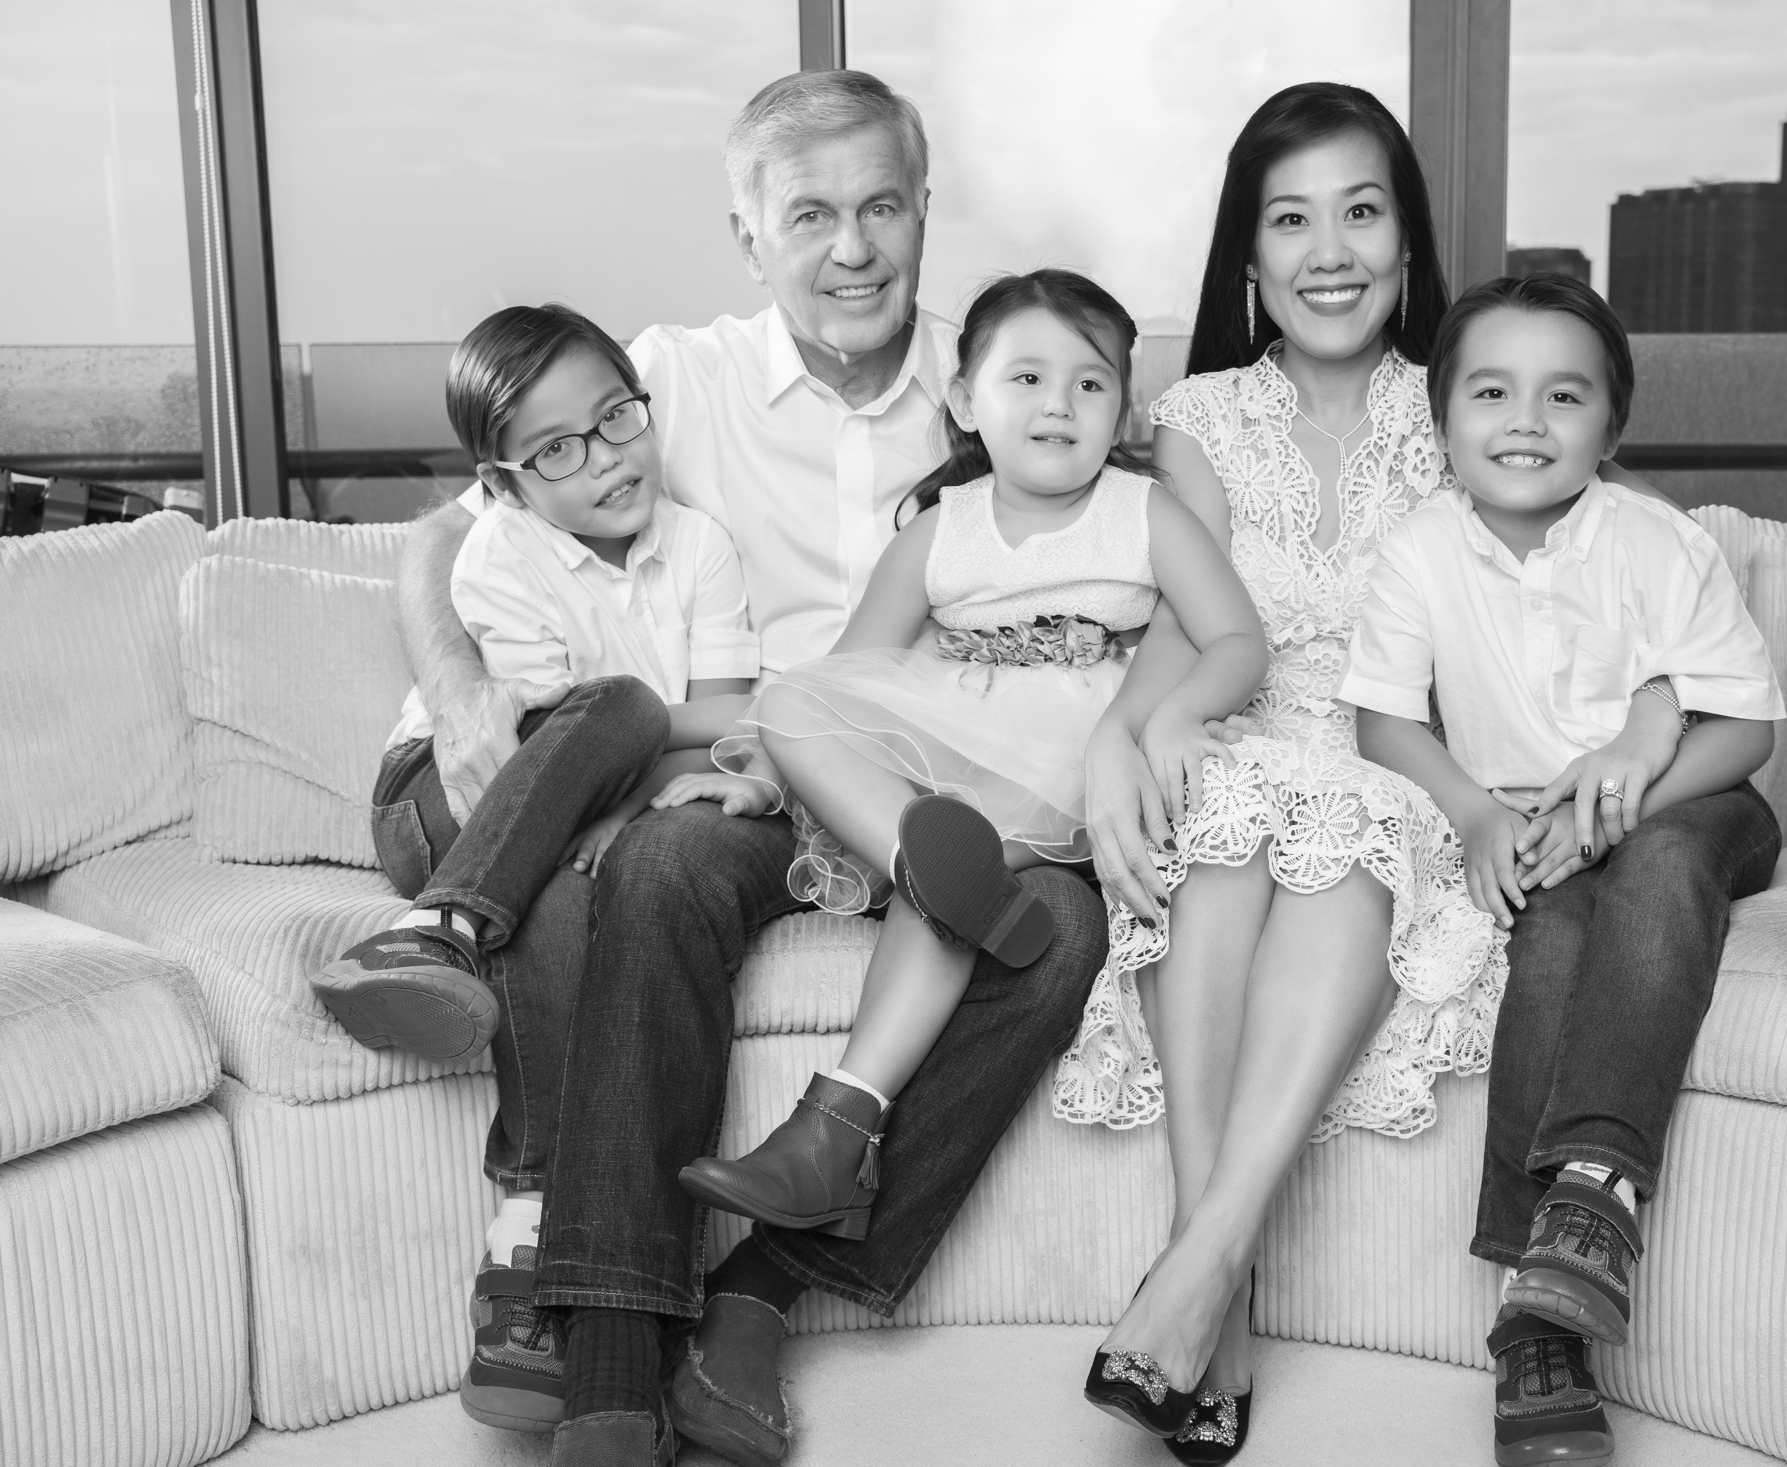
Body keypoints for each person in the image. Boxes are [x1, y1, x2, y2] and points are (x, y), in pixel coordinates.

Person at [394, 72, 1110, 1467]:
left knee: (1058, 930)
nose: (853, 248)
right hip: (740, 780)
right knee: (660, 862)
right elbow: (454, 523)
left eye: (882, 206)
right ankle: (613, 1357)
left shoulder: (1000, 373)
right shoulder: (675, 376)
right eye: (810, 215)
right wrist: (461, 681)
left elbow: (1128, 522)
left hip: (929, 797)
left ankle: (761, 1293)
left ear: (924, 209)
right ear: (748, 236)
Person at [1048, 83, 1509, 1462]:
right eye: (1291, 220)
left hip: (1394, 746)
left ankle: (1197, 1268)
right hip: (1242, 732)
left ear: (1408, 240)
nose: (1330, 251)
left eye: (1360, 212)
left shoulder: (1460, 404)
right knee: (1227, 813)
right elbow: (1188, 623)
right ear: (1247, 255)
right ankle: (1219, 1298)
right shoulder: (1203, 413)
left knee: (1337, 821)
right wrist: (1116, 741)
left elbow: (1579, 532)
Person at [676, 269, 1266, 1242]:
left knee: (954, 855)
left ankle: (836, 1123)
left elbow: (1237, 639)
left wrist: (1174, 718)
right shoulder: (939, 532)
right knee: (793, 699)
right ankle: (924, 880)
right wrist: (764, 772)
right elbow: (852, 680)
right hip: (957, 764)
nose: (1058, 404)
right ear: (963, 399)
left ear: (1125, 408)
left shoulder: (1143, 512)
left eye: (1089, 383)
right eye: (1026, 378)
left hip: (1078, 759)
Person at [1345, 274, 1785, 1467]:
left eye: (1564, 396)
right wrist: (1473, 814)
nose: (1525, 422)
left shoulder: (1656, 541)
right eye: (1490, 393)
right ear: (1442, 419)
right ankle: (1542, 1326)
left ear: (1611, 423)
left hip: (1695, 807)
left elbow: (1745, 731)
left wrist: (1623, 804)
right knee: (1548, 942)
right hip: (1539, 831)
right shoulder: (1419, 551)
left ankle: (1592, 1190)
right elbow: (1384, 721)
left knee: (1658, 862)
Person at [318, 303, 774, 1433]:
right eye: (557, 449)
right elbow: (533, 747)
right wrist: (633, 758)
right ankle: (444, 919)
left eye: (617, 418)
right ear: (504, 482)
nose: (606, 458)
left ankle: (524, 1247)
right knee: (617, 712)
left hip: (568, 803)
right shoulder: (499, 554)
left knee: (578, 871)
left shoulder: (700, 545)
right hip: (445, 798)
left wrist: (628, 789)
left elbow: (730, 716)